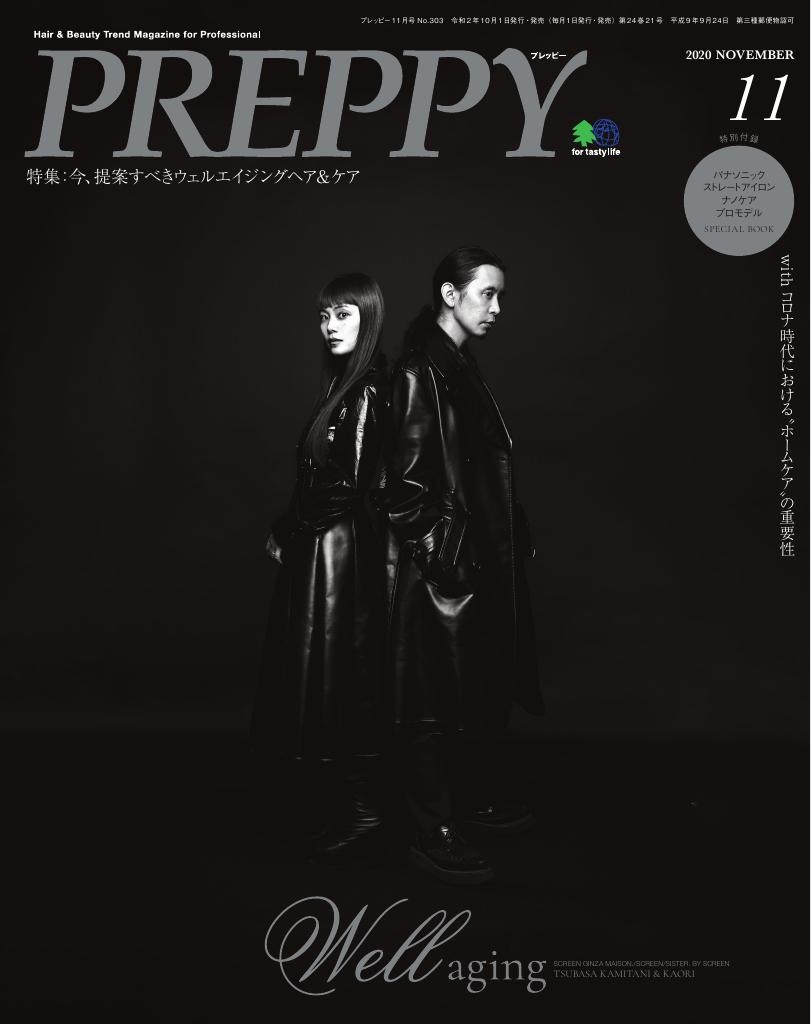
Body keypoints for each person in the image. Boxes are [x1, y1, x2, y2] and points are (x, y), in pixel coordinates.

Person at [380, 246, 543, 884]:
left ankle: (468, 801)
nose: (497, 307)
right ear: (450, 294)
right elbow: (406, 488)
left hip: (474, 561)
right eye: (487, 293)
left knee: (470, 688)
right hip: (442, 570)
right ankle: (432, 829)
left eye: (501, 295)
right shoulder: (420, 370)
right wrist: (444, 558)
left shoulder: (458, 365)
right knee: (428, 699)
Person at [250, 272, 389, 862]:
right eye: (325, 315)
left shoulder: (367, 389)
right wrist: (289, 528)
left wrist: (291, 528)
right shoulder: (343, 383)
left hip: (339, 551)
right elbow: (319, 477)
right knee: (322, 674)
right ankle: (345, 804)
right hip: (324, 547)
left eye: (344, 314)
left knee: (339, 675)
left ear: (368, 318)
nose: (330, 326)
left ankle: (363, 808)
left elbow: (346, 486)